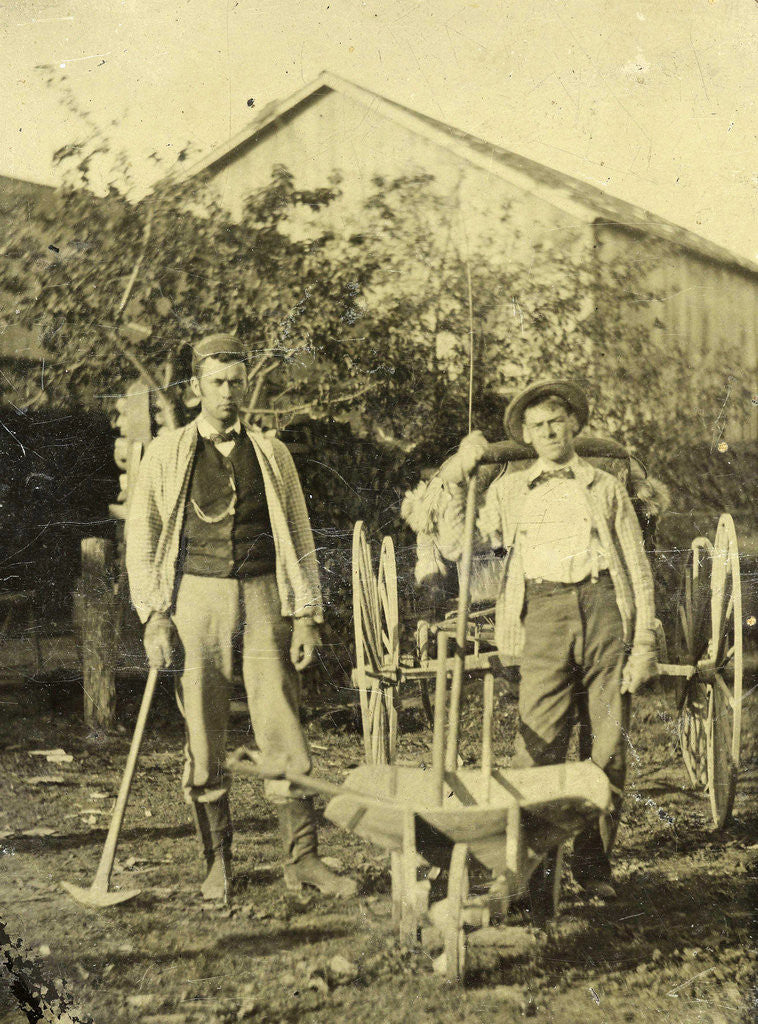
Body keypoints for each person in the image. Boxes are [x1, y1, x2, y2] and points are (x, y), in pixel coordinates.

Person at [126, 333, 357, 903]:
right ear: (196, 388)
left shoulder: (272, 453)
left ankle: (303, 859)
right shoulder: (167, 452)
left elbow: (299, 537)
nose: (228, 394)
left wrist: (306, 616)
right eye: (217, 383)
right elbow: (143, 537)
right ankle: (217, 862)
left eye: (236, 382)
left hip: (263, 599)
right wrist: (153, 616)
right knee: (203, 731)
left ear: (247, 385)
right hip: (195, 601)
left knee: (282, 722)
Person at [411, 379, 658, 899]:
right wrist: (457, 473)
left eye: (557, 422)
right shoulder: (510, 490)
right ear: (526, 434)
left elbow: (637, 569)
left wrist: (645, 647)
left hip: (605, 608)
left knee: (606, 746)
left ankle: (594, 867)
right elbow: (456, 544)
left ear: (574, 426)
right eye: (538, 426)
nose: (549, 432)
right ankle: (532, 874)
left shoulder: (604, 487)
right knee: (536, 744)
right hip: (542, 615)